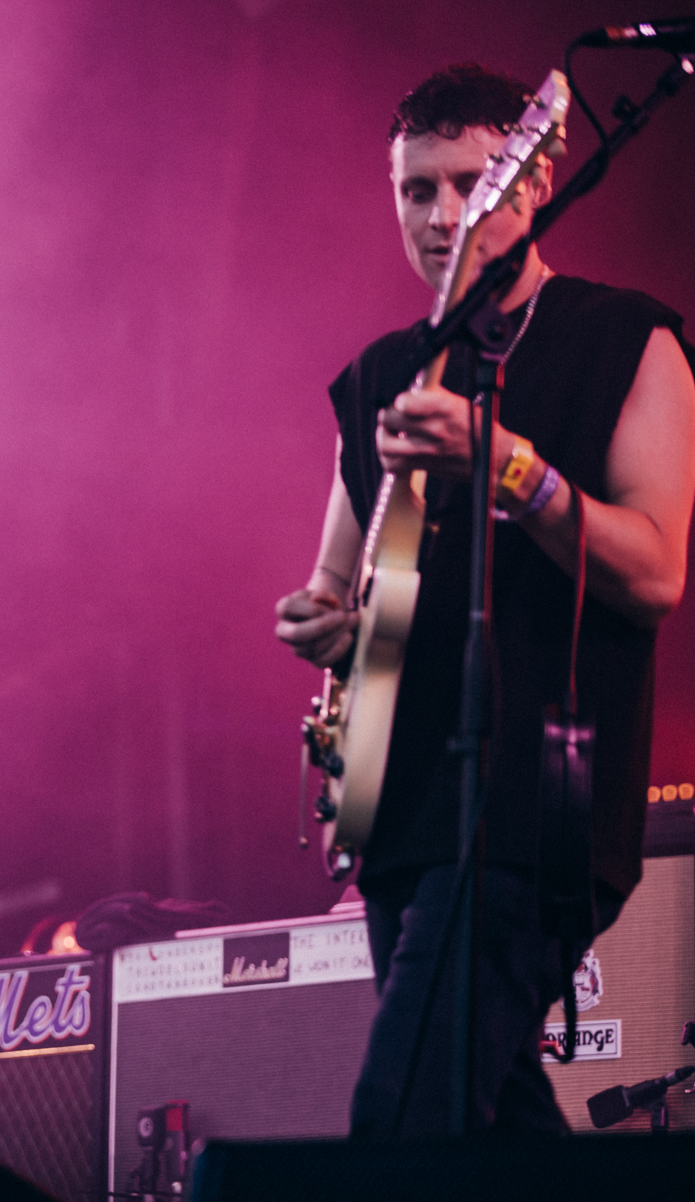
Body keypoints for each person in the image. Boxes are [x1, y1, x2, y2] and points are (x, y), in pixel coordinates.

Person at [274, 65, 695, 1137]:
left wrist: (507, 468)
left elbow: (652, 573)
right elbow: (336, 590)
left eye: (467, 181)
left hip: (533, 802)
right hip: (397, 808)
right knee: (493, 1131)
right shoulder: (377, 376)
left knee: (404, 1118)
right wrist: (316, 625)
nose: (440, 214)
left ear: (537, 174)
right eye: (414, 189)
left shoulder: (626, 339)